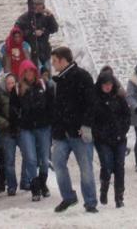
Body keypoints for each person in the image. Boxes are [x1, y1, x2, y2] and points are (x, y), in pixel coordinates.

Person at [50, 46, 98, 213]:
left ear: (63, 60)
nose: (53, 65)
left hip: (79, 132)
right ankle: (69, 197)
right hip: (61, 133)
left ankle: (91, 202)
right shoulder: (58, 80)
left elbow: (91, 103)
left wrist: (86, 125)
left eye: (55, 61)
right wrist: (55, 131)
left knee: (86, 168)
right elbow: (56, 108)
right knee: (57, 162)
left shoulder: (82, 77)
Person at [13, 60, 53, 201]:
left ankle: (43, 183)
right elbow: (13, 108)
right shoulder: (18, 89)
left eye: (31, 71)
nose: (29, 74)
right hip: (26, 128)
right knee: (30, 158)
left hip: (43, 126)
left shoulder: (43, 85)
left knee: (44, 157)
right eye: (26, 72)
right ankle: (35, 185)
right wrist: (18, 122)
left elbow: (50, 103)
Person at [93, 67, 131, 208]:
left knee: (119, 167)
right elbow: (92, 120)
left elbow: (127, 116)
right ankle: (104, 188)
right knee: (107, 166)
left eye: (110, 84)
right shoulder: (95, 100)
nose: (108, 87)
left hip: (119, 138)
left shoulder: (119, 98)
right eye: (105, 84)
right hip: (103, 140)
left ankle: (119, 197)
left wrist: (123, 130)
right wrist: (100, 134)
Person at [0, 73, 21, 197]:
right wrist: (4, 123)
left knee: (30, 156)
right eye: (9, 83)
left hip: (20, 129)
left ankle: (27, 180)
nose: (11, 85)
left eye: (13, 83)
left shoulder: (20, 92)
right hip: (6, 130)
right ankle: (12, 186)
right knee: (9, 160)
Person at [15, 0, 59, 71]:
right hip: (30, 53)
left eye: (38, 4)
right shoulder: (24, 17)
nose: (36, 6)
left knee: (47, 77)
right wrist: (32, 33)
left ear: (43, 5)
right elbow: (16, 32)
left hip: (45, 53)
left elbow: (54, 29)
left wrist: (51, 16)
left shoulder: (46, 16)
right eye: (34, 4)